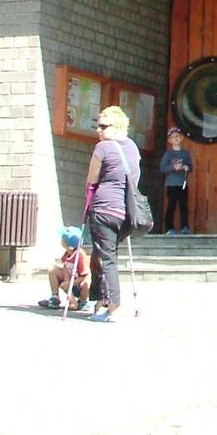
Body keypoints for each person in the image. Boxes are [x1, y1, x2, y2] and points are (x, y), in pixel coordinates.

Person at [85, 105, 141, 322]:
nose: (98, 130)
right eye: (97, 125)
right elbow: (134, 178)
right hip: (125, 211)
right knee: (104, 254)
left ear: (116, 126)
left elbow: (92, 179)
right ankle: (100, 301)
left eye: (103, 126)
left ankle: (113, 306)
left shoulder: (103, 148)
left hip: (103, 209)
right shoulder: (133, 148)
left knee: (106, 258)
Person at [37, 226, 91, 311]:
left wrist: (70, 283)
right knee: (52, 269)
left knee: (86, 283)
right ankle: (55, 298)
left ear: (69, 244)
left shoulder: (80, 255)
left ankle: (82, 301)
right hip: (70, 280)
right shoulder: (67, 254)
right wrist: (67, 283)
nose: (61, 240)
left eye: (63, 239)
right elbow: (65, 268)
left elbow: (85, 275)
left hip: (79, 282)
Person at [159, 128, 194, 235]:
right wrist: (173, 167)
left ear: (182, 138)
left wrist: (186, 167)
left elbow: (191, 167)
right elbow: (162, 168)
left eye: (178, 136)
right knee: (171, 205)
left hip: (183, 183)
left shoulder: (186, 153)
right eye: (173, 137)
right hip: (171, 184)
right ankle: (169, 228)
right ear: (170, 140)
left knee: (184, 206)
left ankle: (185, 227)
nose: (176, 138)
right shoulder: (168, 154)